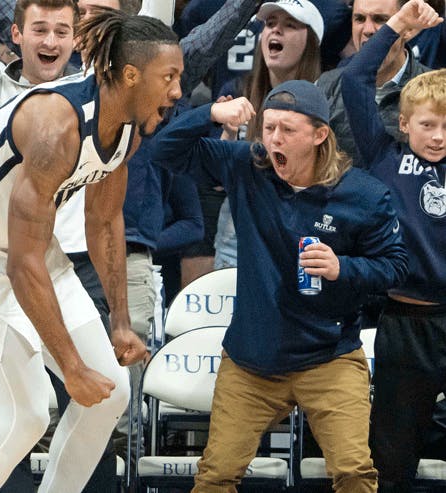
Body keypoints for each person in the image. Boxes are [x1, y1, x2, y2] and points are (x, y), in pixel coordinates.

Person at [0, 9, 182, 492]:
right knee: (25, 414)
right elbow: (20, 268)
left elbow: (104, 221)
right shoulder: (55, 127)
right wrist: (72, 366)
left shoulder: (125, 127)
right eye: (169, 76)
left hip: (31, 246)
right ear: (130, 75)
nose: (177, 91)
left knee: (109, 396)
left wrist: (120, 320)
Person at [151, 80, 409, 493]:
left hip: (330, 357)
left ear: (320, 134)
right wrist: (210, 115)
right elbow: (162, 149)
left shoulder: (364, 194)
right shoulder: (248, 165)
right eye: (268, 128)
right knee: (215, 477)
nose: (274, 140)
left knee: (354, 474)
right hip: (253, 360)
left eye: (287, 130)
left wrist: (343, 267)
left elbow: (396, 268)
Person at [339, 1, 445, 491]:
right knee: (392, 457)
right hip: (405, 321)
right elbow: (357, 77)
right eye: (427, 125)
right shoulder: (384, 153)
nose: (439, 137)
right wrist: (397, 26)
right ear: (403, 124)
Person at [211, 0, 324, 269]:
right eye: (270, 24)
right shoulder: (238, 91)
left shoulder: (326, 99)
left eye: (289, 25)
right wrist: (227, 137)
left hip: (297, 244)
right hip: (235, 245)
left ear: (311, 40)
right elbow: (218, 183)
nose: (275, 31)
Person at [317, 0, 432, 167]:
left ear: (409, 29)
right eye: (359, 19)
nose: (368, 30)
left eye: (380, 19)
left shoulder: (437, 91)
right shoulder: (325, 86)